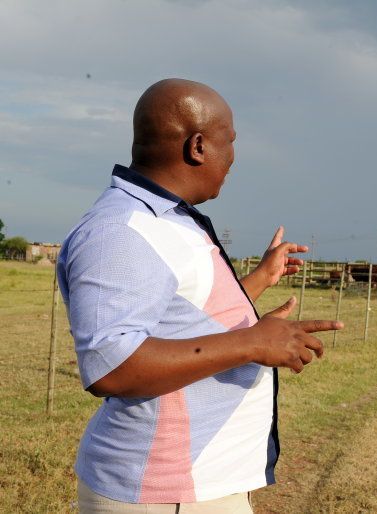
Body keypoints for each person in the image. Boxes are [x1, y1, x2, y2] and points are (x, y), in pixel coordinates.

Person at [57, 78, 343, 513]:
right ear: (197, 147)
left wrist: (260, 279)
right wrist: (253, 341)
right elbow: (109, 366)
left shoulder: (170, 220)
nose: (233, 157)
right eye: (229, 142)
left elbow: (181, 316)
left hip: (196, 488)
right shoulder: (120, 231)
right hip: (160, 494)